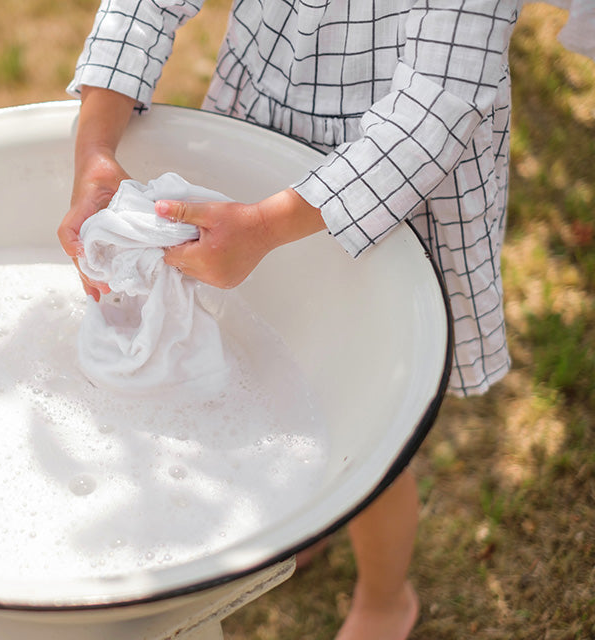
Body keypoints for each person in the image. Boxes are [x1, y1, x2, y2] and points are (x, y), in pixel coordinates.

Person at [58, 1, 520, 639]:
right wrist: (95, 147)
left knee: (364, 422)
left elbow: (439, 99)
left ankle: (386, 598)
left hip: (393, 188)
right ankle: (318, 508)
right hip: (262, 128)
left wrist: (268, 227)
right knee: (275, 358)